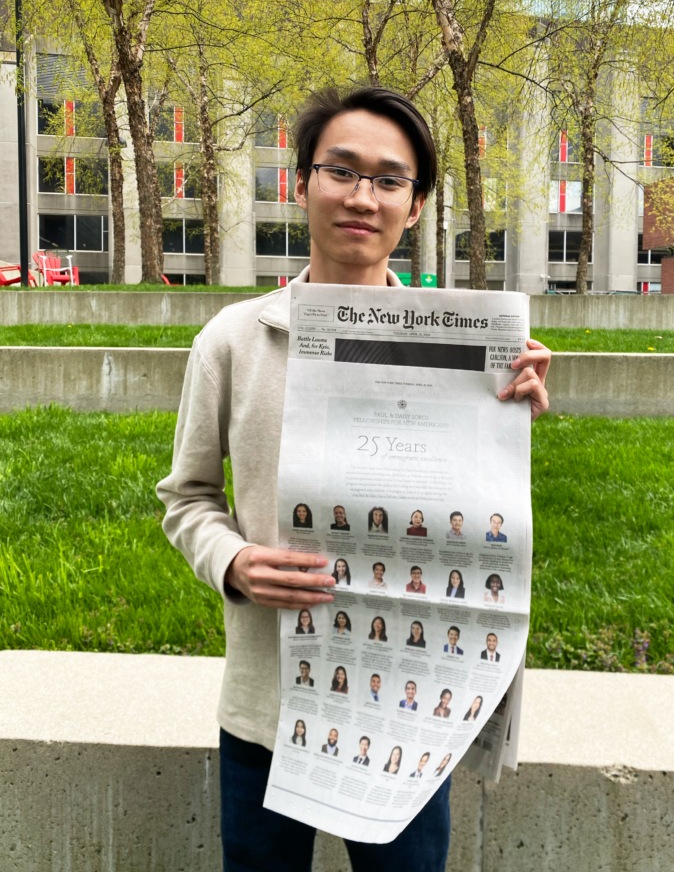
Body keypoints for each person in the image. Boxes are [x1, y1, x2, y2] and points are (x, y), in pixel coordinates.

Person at [157, 85, 551, 872]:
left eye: (388, 179)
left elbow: (478, 517)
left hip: (409, 717)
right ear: (300, 184)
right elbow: (187, 497)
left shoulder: (471, 349)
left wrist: (508, 415)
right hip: (268, 706)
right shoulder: (234, 339)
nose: (362, 197)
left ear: (416, 204)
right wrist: (231, 560)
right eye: (340, 170)